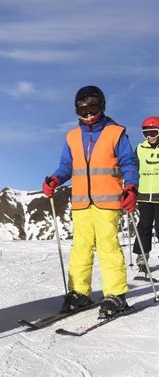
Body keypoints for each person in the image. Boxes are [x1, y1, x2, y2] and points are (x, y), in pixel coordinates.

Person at [42, 85, 139, 318]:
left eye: (93, 106)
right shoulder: (72, 137)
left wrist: (131, 187)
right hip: (81, 202)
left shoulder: (115, 132)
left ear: (102, 105)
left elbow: (129, 163)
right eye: (82, 109)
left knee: (108, 248)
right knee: (81, 249)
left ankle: (116, 295)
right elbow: (67, 166)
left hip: (108, 201)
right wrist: (55, 179)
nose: (88, 113)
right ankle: (79, 292)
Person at [132, 116, 159, 274]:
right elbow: (133, 168)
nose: (149, 136)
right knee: (144, 227)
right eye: (146, 132)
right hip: (143, 196)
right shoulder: (140, 148)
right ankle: (142, 258)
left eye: (153, 132)